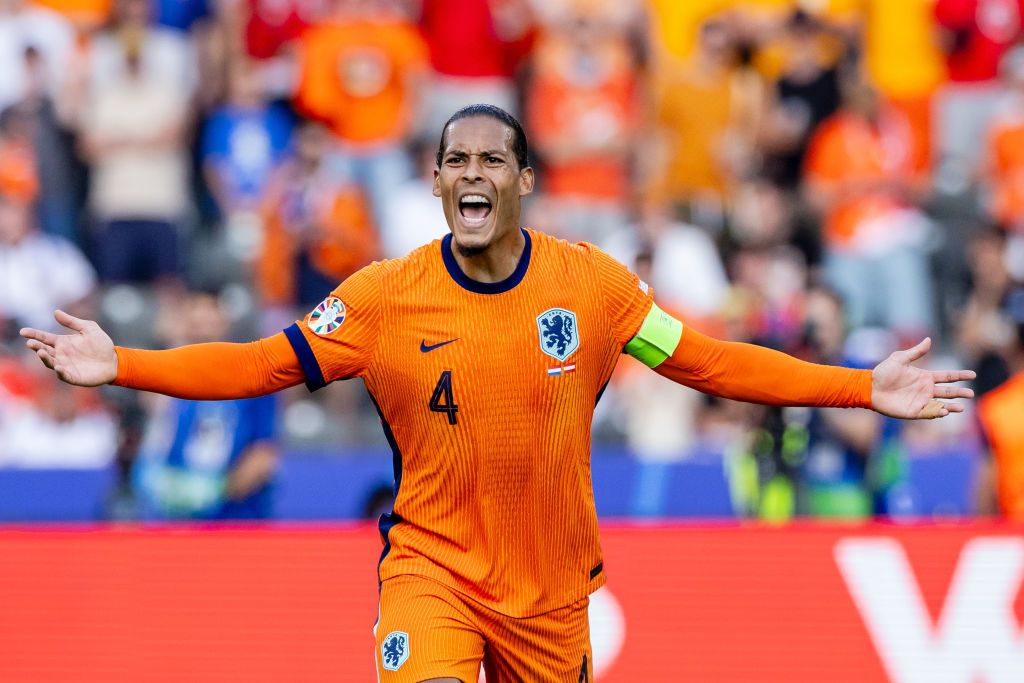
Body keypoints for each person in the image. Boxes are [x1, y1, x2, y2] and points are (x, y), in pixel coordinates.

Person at [21, 104, 975, 682]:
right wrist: (128, 365)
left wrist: (860, 387)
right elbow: (262, 363)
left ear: (523, 179)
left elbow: (711, 363)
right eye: (457, 160)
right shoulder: (384, 297)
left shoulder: (595, 289)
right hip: (430, 569)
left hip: (551, 593)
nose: (472, 173)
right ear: (436, 181)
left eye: (492, 160)